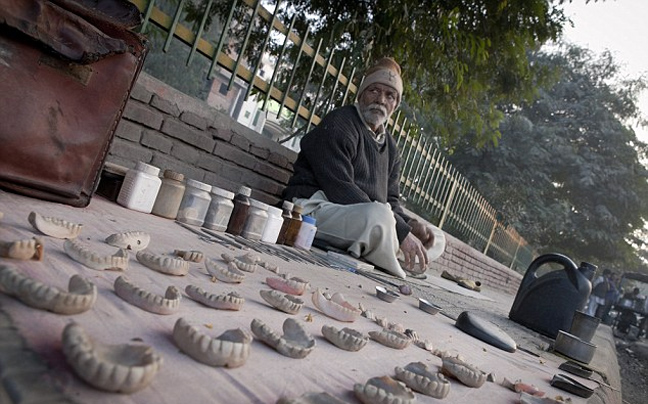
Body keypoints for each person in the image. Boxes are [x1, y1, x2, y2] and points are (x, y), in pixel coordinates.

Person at [282, 57, 436, 279]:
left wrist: (409, 225)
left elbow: (390, 201)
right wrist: (401, 231)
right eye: (374, 90)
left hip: (361, 215)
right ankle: (392, 254)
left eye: (390, 95)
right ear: (362, 93)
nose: (381, 100)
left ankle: (390, 247)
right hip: (313, 208)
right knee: (379, 218)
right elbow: (340, 189)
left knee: (436, 236)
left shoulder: (390, 147)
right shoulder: (340, 123)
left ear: (395, 105)